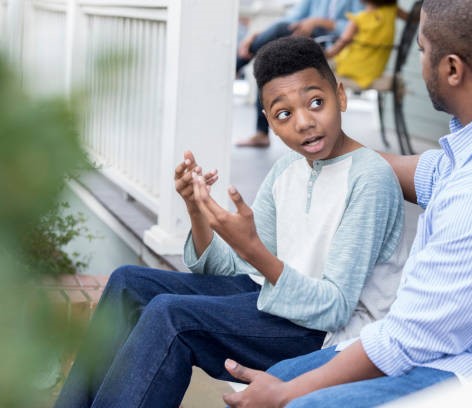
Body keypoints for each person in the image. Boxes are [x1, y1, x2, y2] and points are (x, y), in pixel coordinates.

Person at [221, 1, 472, 407]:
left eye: (423, 50)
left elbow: (408, 338)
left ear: (453, 69)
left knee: (297, 401)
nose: (420, 61)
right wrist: (337, 158)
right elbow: (434, 172)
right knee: (283, 374)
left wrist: (286, 394)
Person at [54, 36, 409, 408]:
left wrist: (253, 249)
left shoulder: (370, 178)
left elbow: (335, 307)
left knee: (171, 316)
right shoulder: (287, 168)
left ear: (341, 96)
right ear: (270, 121)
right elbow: (241, 271)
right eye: (284, 113)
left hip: (327, 334)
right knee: (129, 282)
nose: (304, 122)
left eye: (316, 102)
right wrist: (197, 210)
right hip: (275, 299)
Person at [235, 0, 363, 148]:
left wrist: (319, 22)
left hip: (332, 47)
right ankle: (261, 134)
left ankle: (236, 66)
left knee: (275, 38)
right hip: (305, 40)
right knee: (270, 61)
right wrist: (257, 35)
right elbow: (291, 18)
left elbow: (359, 27)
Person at [325, 0, 408, 89]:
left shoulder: (359, 20)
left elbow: (337, 49)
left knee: (320, 68)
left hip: (353, 67)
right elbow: (411, 18)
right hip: (375, 69)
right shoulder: (392, 10)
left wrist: (323, 54)